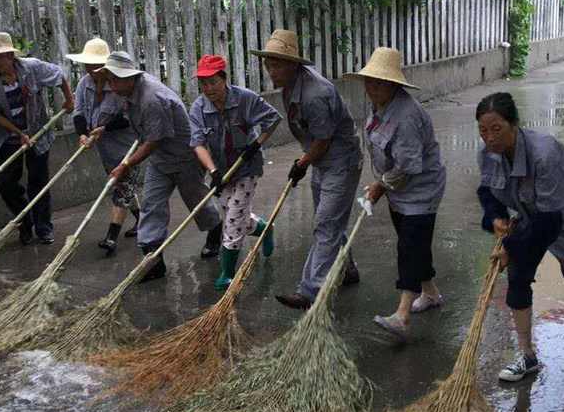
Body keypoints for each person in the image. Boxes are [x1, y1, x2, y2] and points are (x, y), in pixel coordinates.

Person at [476, 91, 564, 382]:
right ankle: (527, 356)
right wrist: (495, 216)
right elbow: (487, 190)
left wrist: (512, 249)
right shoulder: (487, 153)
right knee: (518, 277)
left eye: (497, 129)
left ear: (516, 124)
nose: (490, 138)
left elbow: (550, 223)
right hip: (532, 215)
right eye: (483, 131)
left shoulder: (543, 154)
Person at [249, 29, 363, 310]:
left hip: (340, 161)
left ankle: (311, 292)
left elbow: (323, 139)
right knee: (330, 219)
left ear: (293, 65)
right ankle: (348, 269)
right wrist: (305, 160)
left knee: (325, 223)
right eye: (268, 64)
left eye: (276, 64)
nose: (271, 71)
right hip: (320, 158)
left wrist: (301, 164)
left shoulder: (315, 93)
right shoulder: (289, 87)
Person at [347, 47, 447, 340]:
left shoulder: (407, 116)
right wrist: (380, 183)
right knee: (414, 242)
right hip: (397, 190)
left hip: (421, 190)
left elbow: (409, 166)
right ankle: (431, 293)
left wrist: (380, 185)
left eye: (377, 82)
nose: (371, 88)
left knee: (408, 247)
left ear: (393, 84)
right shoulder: (377, 105)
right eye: (368, 81)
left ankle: (402, 315)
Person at [102, 51, 223, 281]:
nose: (112, 85)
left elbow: (154, 140)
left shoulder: (151, 98)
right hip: (160, 159)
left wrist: (126, 164)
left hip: (184, 154)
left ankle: (215, 232)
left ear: (129, 77)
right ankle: (154, 261)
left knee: (196, 200)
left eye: (115, 79)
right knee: (151, 204)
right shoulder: (127, 93)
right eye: (110, 80)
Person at [188, 55, 282, 288]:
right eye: (203, 83)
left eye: (213, 82)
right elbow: (198, 144)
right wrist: (213, 171)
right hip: (221, 170)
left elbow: (273, 119)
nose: (208, 88)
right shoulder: (198, 108)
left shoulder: (245, 99)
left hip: (247, 166)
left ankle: (227, 273)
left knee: (232, 220)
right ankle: (263, 228)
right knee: (233, 214)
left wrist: (257, 143)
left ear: (224, 79)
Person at [0, 31, 74, 245]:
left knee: (39, 182)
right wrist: (19, 133)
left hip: (38, 131)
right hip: (7, 138)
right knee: (5, 184)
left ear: (11, 55)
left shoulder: (32, 68)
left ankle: (44, 227)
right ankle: (24, 221)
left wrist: (69, 100)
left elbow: (59, 76)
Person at [67, 37, 140, 255]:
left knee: (119, 183)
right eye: (88, 65)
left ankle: (111, 236)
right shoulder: (84, 83)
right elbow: (79, 111)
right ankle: (143, 218)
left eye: (95, 66)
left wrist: (105, 128)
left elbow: (129, 117)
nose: (91, 70)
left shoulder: (119, 82)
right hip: (104, 147)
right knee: (123, 186)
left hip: (127, 145)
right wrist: (82, 135)